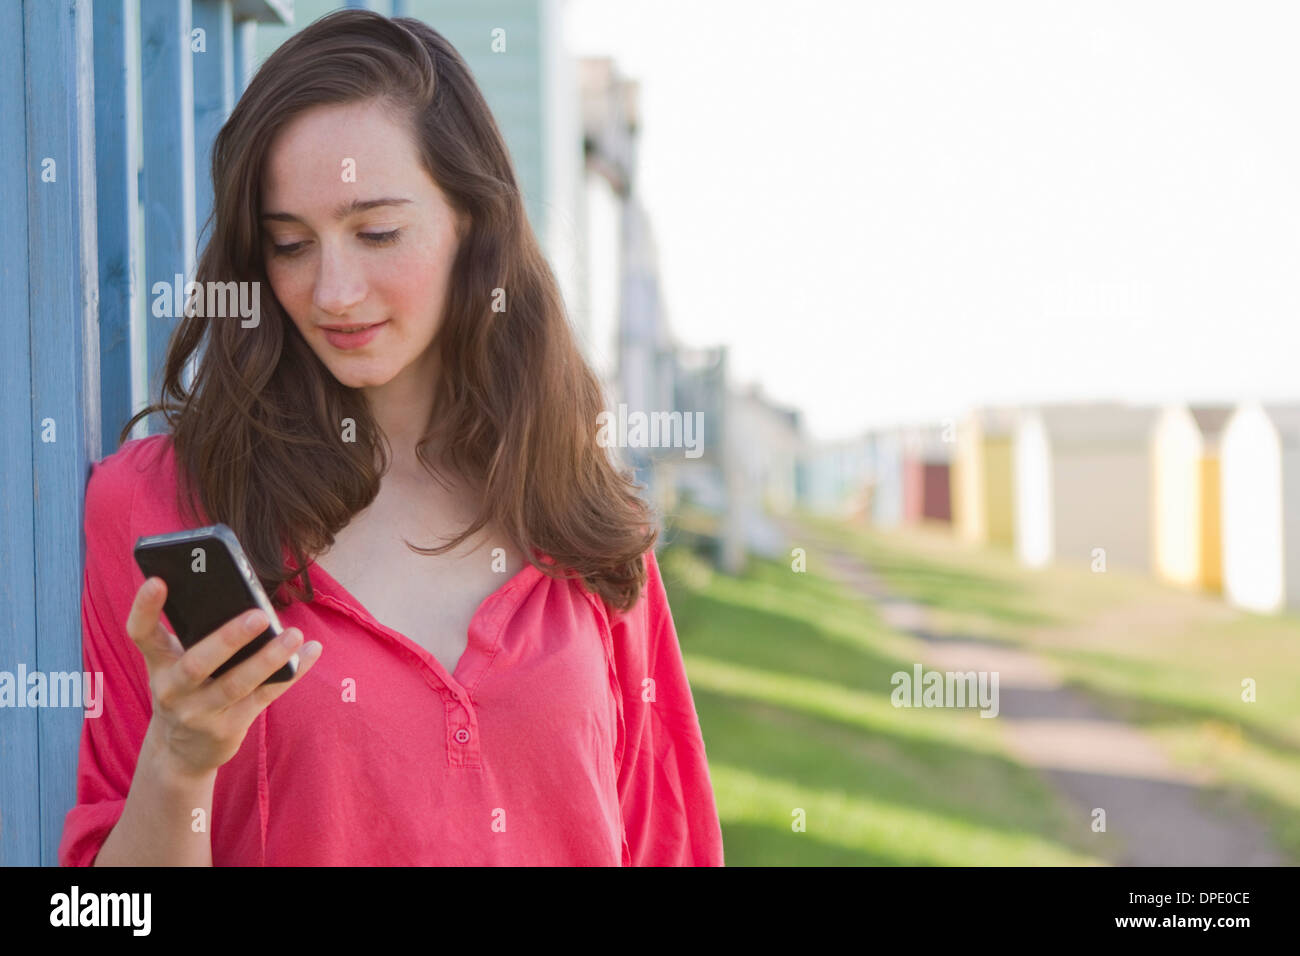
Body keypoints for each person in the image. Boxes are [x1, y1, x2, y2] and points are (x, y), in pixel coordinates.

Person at [58, 9, 723, 866]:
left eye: (376, 233)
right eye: (290, 244)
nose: (333, 291)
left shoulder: (574, 504)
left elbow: (668, 844)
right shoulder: (156, 506)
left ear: (474, 225)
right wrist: (179, 764)